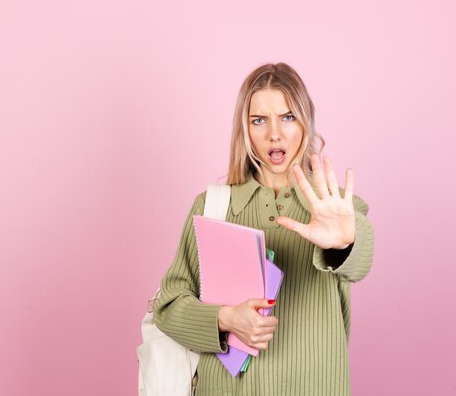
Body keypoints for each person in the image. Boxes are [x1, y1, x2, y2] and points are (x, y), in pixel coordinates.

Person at [154, 62, 374, 396]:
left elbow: (361, 259)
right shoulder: (212, 207)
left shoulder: (335, 206)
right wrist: (225, 318)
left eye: (287, 117)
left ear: (305, 123)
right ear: (245, 129)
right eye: (259, 120)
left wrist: (344, 243)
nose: (275, 133)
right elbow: (168, 308)